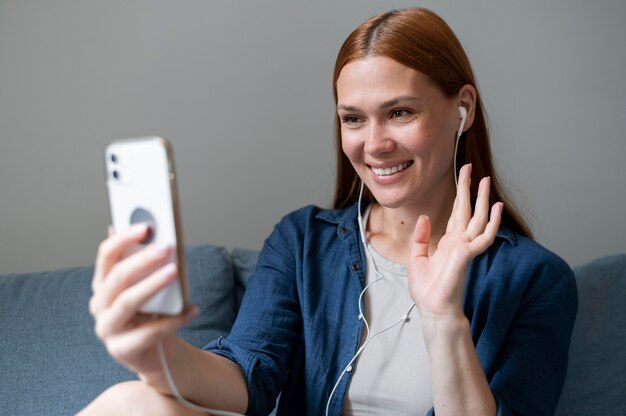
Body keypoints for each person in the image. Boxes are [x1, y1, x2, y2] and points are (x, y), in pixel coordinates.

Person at [80, 8, 577, 416]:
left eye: (400, 112)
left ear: (461, 109)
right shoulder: (303, 242)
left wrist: (444, 316)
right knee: (131, 402)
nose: (375, 145)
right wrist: (153, 354)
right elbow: (248, 377)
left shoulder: (536, 279)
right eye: (353, 119)